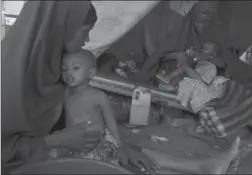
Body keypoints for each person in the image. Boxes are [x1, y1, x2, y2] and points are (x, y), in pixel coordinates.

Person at [1, 1, 156, 173]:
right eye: (84, 31)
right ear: (61, 25)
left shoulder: (52, 65)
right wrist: (55, 141)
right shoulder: (10, 78)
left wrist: (123, 148)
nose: (87, 39)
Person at [47, 50, 121, 164]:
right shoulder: (65, 93)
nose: (69, 73)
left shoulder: (98, 96)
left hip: (94, 144)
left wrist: (120, 147)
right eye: (64, 69)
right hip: (71, 141)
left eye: (76, 68)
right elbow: (55, 117)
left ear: (90, 73)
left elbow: (111, 123)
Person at [126, 1, 220, 82]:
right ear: (193, 18)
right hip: (169, 73)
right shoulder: (180, 32)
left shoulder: (209, 37)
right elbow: (157, 55)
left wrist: (207, 57)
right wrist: (177, 55)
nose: (203, 27)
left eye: (207, 23)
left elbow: (221, 63)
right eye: (199, 22)